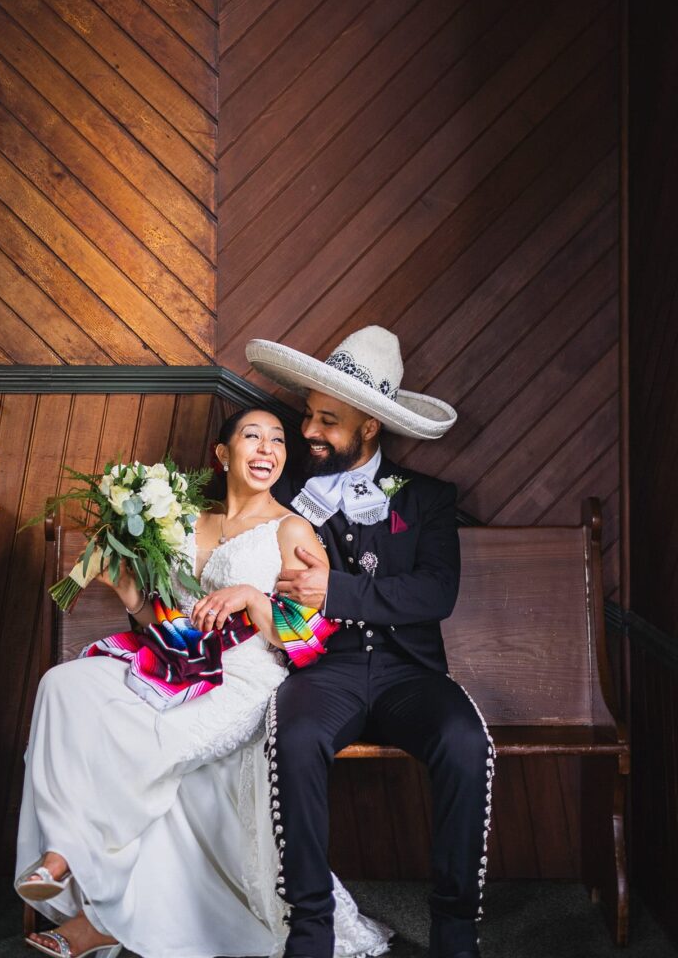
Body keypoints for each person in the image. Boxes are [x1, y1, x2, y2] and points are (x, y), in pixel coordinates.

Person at [14, 407, 391, 958]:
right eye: (252, 436)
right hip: (178, 663)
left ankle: (84, 885)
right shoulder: (186, 522)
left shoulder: (291, 529)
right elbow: (172, 620)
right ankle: (68, 854)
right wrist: (130, 594)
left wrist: (254, 598)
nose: (267, 449)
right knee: (61, 686)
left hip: (247, 678)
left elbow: (310, 639)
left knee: (148, 740)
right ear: (222, 454)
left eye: (277, 440)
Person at [246, 327, 495, 958]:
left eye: (327, 421)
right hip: (321, 671)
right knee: (293, 737)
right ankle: (310, 932)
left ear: (369, 427)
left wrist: (334, 589)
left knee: (466, 741)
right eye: (309, 414)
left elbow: (434, 593)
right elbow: (273, 585)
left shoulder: (428, 500)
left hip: (409, 674)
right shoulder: (285, 496)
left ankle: (455, 932)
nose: (308, 431)